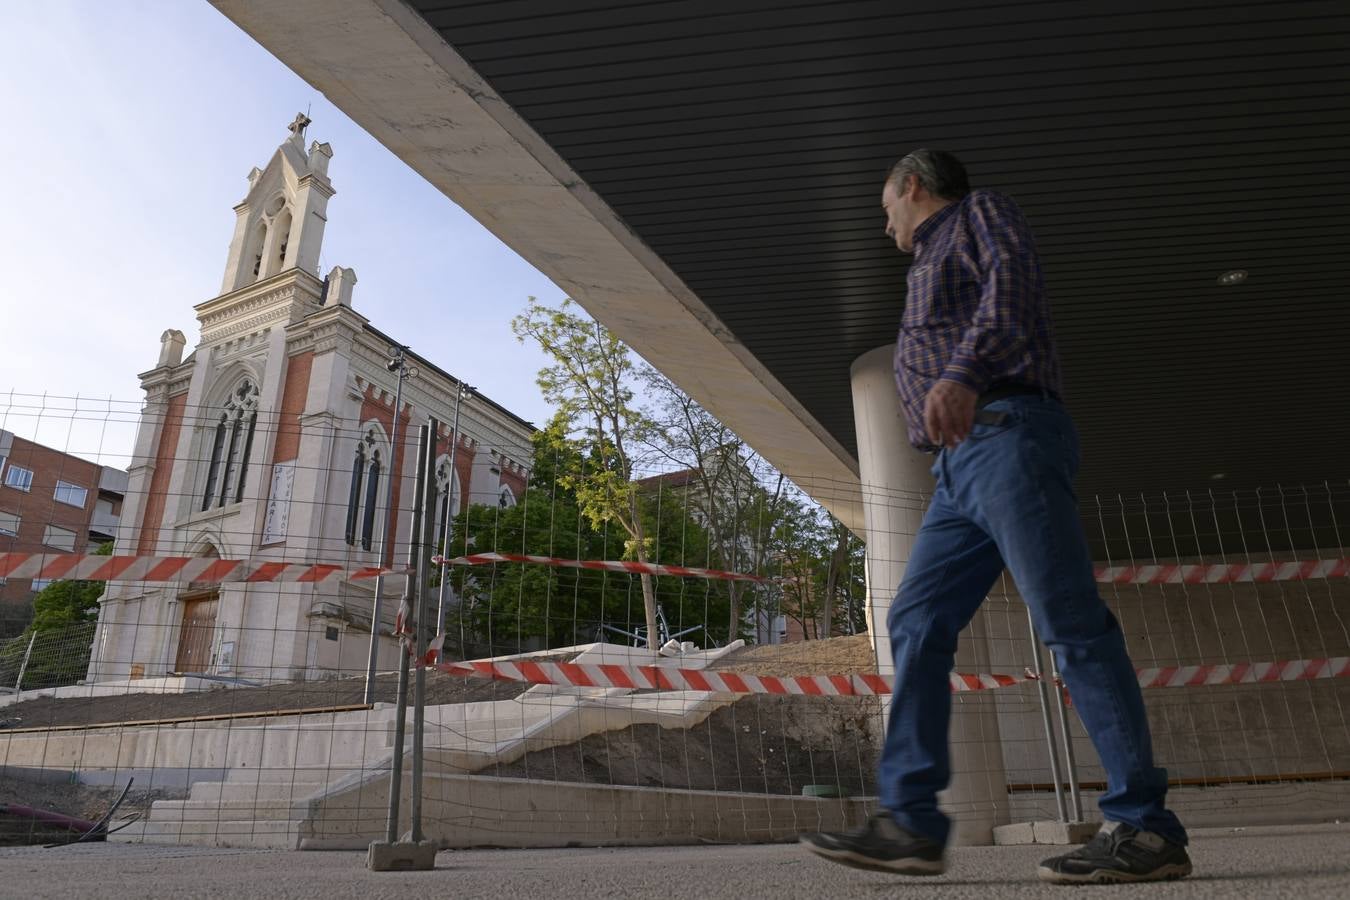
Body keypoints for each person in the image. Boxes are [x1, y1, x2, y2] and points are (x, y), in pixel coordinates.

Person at [799, 150, 1191, 885]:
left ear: (913, 186)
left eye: (885, 207)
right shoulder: (922, 265)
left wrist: (961, 373)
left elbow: (1012, 291)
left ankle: (1145, 827)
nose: (885, 226)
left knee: (1070, 625)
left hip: (1007, 433)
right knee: (914, 619)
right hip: (959, 470)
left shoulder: (980, 214)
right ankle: (911, 823)